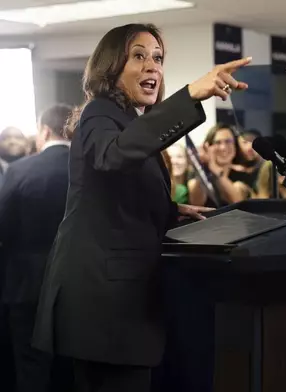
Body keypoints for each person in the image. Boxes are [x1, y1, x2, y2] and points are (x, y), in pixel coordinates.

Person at [32, 23, 251, 392]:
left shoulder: (129, 121)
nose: (152, 65)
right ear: (110, 66)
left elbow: (116, 192)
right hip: (105, 308)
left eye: (158, 58)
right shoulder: (100, 112)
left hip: (119, 306)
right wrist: (191, 95)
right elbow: (112, 156)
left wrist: (170, 212)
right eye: (138, 56)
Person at [0, 104, 74, 392]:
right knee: (70, 372)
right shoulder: (90, 171)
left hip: (27, 286)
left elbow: (3, 226)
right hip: (76, 286)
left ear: (44, 131)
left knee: (32, 372)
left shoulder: (20, 171)